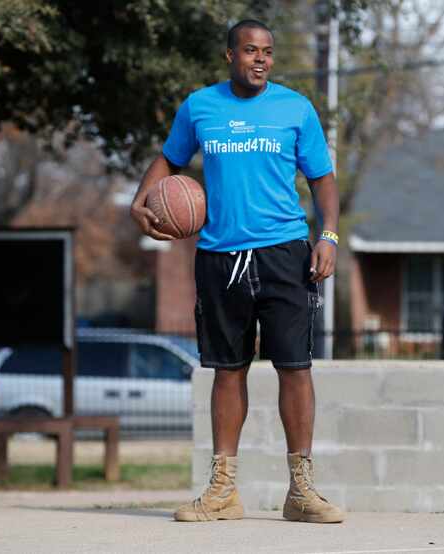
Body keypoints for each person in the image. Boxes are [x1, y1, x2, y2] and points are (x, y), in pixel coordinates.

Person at [130, 19, 343, 524]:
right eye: (250, 50)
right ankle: (223, 490)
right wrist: (141, 202)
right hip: (220, 255)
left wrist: (328, 235)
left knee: (296, 368)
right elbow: (168, 160)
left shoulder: (295, 108)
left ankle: (301, 490)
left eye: (267, 51)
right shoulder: (200, 106)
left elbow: (323, 178)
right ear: (231, 55)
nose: (261, 59)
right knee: (227, 371)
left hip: (285, 252)